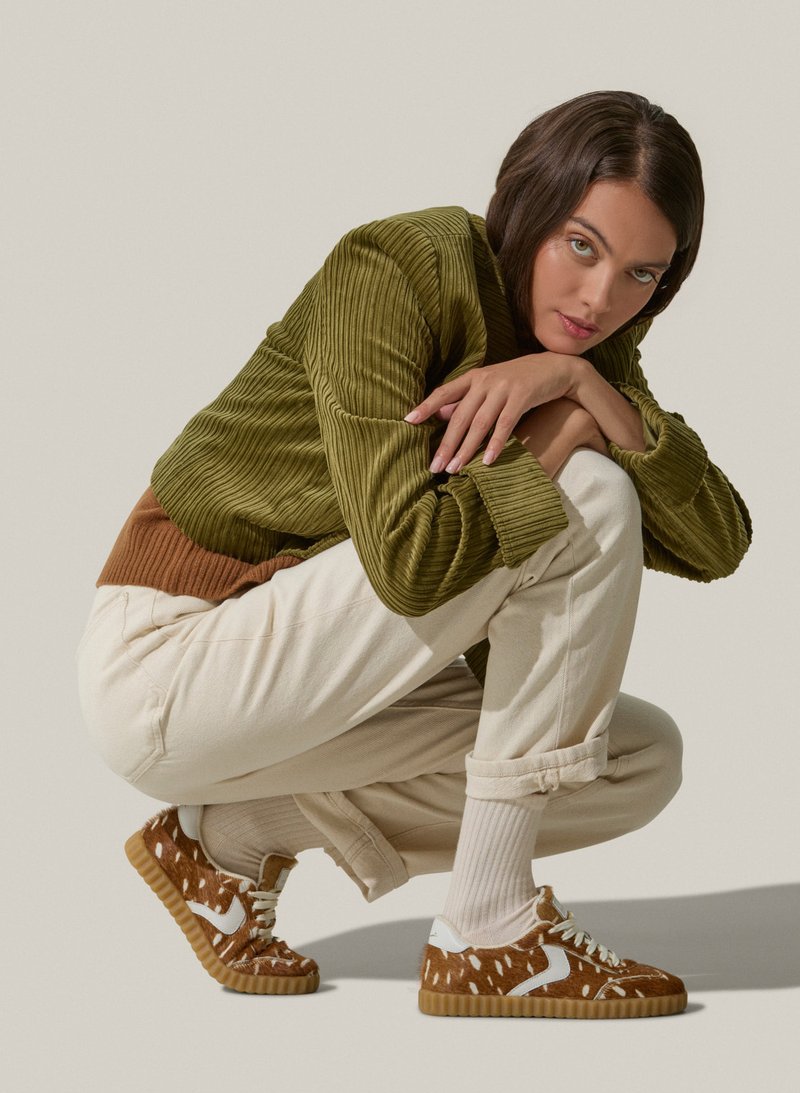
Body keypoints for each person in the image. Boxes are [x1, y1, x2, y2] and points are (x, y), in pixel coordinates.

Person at [77, 90, 751, 1018]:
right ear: (527, 205)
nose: (599, 298)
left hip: (308, 682)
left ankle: (227, 841)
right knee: (586, 493)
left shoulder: (587, 348)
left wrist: (580, 382)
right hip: (174, 662)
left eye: (642, 274)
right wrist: (559, 438)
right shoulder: (392, 267)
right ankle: (492, 929)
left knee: (639, 758)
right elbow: (407, 561)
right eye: (580, 246)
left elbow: (720, 541)